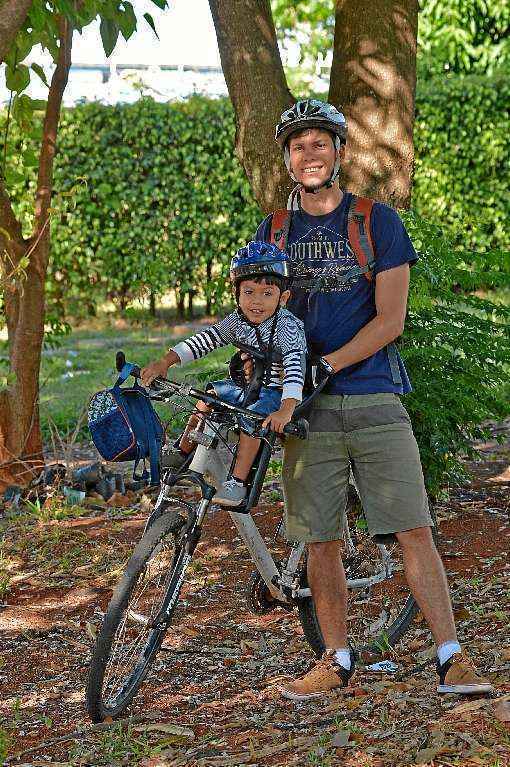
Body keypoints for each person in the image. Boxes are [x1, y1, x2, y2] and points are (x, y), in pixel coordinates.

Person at [253, 99, 492, 700]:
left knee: (413, 529)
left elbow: (391, 321)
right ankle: (335, 660)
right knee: (321, 539)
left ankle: (450, 656)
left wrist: (325, 365)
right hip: (307, 414)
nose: (310, 154)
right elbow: (259, 313)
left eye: (320, 143)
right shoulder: (274, 232)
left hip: (373, 396)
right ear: (286, 160)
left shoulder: (376, 222)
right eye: (298, 146)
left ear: (339, 153)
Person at [140, 241, 307, 507]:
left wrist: (286, 409)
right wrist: (166, 361)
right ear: (237, 294)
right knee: (210, 395)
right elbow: (206, 339)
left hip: (276, 393)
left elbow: (296, 371)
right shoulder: (237, 321)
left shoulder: (288, 328)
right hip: (249, 385)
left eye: (267, 293)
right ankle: (183, 450)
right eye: (249, 292)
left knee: (253, 420)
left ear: (283, 298)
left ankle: (237, 483)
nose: (256, 301)